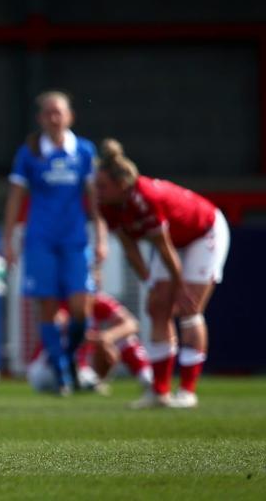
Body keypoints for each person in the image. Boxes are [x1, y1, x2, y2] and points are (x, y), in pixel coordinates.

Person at [95, 139, 230, 409]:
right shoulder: (108, 204)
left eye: (102, 185)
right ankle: (159, 391)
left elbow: (164, 248)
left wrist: (180, 288)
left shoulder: (145, 199)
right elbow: (130, 248)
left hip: (204, 233)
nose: (96, 191)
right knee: (157, 307)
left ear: (121, 185)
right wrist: (149, 282)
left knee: (189, 308)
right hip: (175, 243)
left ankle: (188, 391)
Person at [1, 90, 108, 395]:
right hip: (40, 240)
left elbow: (95, 200)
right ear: (40, 118)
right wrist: (8, 241)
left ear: (70, 116)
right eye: (48, 112)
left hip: (75, 240)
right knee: (46, 306)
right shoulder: (30, 153)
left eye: (58, 111)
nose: (53, 117)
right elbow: (15, 199)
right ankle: (61, 372)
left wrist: (101, 236)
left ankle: (70, 357)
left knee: (80, 308)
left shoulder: (85, 151)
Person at [27, 291, 152, 395]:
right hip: (46, 368)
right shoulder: (60, 300)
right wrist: (96, 339)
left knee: (126, 338)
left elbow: (132, 324)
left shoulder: (99, 300)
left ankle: (147, 377)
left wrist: (108, 336)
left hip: (82, 368)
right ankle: (74, 382)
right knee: (64, 341)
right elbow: (60, 329)